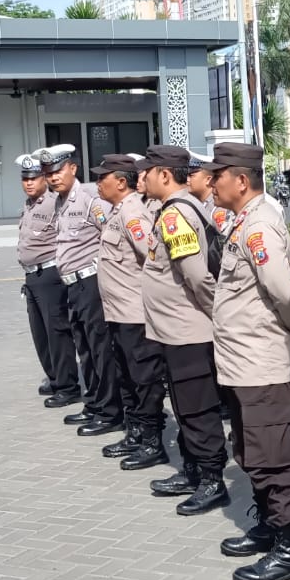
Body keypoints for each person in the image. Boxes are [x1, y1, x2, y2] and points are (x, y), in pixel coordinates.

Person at [202, 143, 290, 580]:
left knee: (275, 458)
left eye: (219, 176)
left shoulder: (259, 227)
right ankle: (269, 526)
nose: (212, 183)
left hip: (262, 364)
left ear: (241, 181)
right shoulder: (245, 221)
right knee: (251, 452)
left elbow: (286, 295)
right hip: (242, 364)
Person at [136, 145, 229, 516]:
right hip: (175, 331)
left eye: (150, 171)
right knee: (184, 405)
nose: (143, 178)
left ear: (164, 175)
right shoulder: (170, 211)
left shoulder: (176, 216)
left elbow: (196, 277)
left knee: (197, 408)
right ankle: (192, 470)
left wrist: (215, 316)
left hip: (189, 332)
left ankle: (211, 480)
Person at [91, 154, 169, 469]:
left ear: (121, 182)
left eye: (102, 177)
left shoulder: (133, 214)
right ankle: (135, 432)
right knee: (126, 377)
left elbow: (152, 256)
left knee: (144, 380)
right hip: (118, 314)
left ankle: (152, 441)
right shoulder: (118, 211)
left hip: (135, 314)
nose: (97, 183)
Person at [44, 144, 123, 436]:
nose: (53, 178)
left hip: (91, 282)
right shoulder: (59, 201)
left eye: (58, 171)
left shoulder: (91, 198)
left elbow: (111, 236)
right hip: (72, 284)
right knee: (85, 349)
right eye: (48, 173)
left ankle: (111, 410)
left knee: (101, 349)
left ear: (73, 169)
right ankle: (94, 403)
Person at [17, 151, 81, 406]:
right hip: (32, 276)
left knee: (57, 333)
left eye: (34, 178)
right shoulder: (29, 204)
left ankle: (68, 385)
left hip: (51, 274)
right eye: (25, 178)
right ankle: (55, 377)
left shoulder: (55, 202)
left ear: (44, 178)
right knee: (40, 334)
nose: (29, 183)